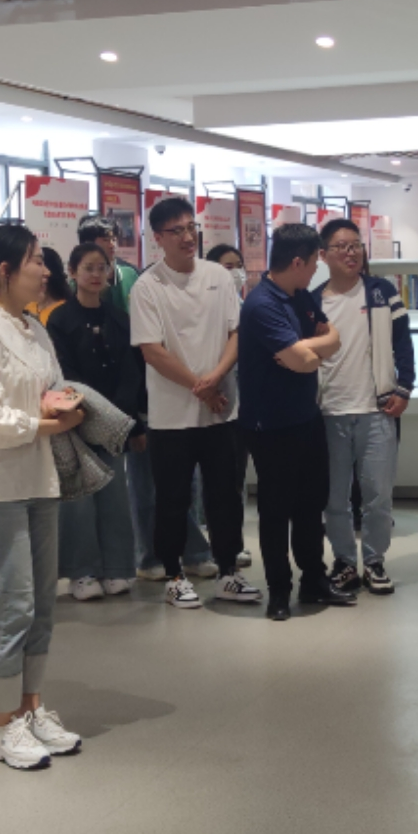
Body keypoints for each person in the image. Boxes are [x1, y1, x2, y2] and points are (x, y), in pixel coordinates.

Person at [0, 222, 91, 770]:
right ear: (5, 271)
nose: (45, 270)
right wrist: (49, 422)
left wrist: (65, 404)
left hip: (37, 478)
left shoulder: (33, 328)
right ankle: (1, 726)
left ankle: (30, 709)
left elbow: (52, 388)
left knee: (40, 608)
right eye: (35, 260)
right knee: (10, 607)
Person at [129, 195, 259, 609]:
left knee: (225, 497)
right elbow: (152, 350)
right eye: (177, 231)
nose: (188, 237)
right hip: (171, 417)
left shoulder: (218, 276)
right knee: (172, 500)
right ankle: (173, 575)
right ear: (158, 238)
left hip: (221, 411)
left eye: (191, 228)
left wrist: (216, 376)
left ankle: (228, 572)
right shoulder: (148, 286)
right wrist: (200, 386)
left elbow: (236, 332)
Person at [238, 223, 351, 621]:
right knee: (276, 510)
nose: (317, 270)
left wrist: (303, 348)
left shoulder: (300, 297)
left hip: (306, 416)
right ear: (298, 262)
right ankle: (279, 591)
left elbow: (333, 338)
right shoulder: (261, 304)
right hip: (270, 425)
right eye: (316, 261)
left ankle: (314, 580)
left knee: (310, 505)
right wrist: (306, 353)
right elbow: (305, 362)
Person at [313, 212, 412, 594]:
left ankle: (374, 561)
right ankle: (344, 561)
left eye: (355, 245)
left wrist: (404, 389)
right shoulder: (313, 302)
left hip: (378, 411)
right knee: (334, 498)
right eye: (341, 247)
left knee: (378, 496)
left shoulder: (382, 292)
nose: (350, 253)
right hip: (329, 413)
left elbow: (403, 344)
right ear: (323, 255)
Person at [46, 240, 144, 598]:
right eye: (88, 268)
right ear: (72, 273)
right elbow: (63, 372)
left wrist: (125, 419)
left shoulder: (119, 317)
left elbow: (133, 372)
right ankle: (82, 573)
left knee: (114, 496)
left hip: (114, 423)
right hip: (75, 419)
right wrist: (87, 411)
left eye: (102, 268)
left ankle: (118, 568)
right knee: (79, 501)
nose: (96, 274)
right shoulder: (60, 319)